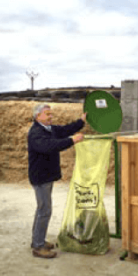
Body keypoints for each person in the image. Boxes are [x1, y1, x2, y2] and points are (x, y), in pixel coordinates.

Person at [28, 104, 86, 258]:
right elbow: (50, 146)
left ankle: (37, 241)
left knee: (42, 209)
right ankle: (39, 246)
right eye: (47, 114)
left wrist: (80, 122)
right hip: (40, 177)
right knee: (45, 210)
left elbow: (65, 130)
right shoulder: (36, 133)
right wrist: (72, 140)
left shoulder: (49, 129)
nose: (50, 117)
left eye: (50, 114)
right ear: (37, 116)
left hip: (46, 176)